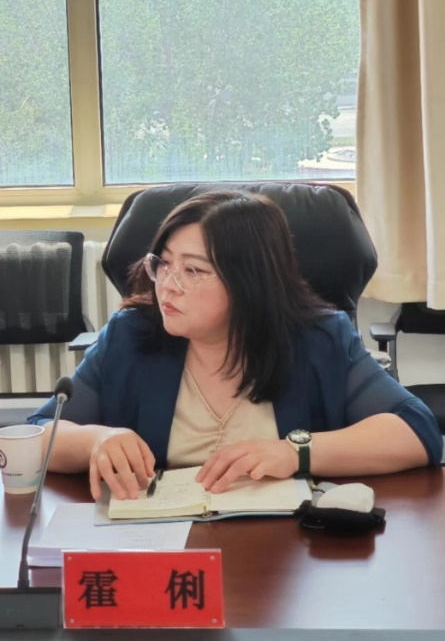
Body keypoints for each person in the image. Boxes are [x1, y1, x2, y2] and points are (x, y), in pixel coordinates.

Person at [29, 190, 443, 501]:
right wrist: (95, 440)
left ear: (250, 281)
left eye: (193, 270)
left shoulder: (319, 339)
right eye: (164, 264)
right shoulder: (131, 335)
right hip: (163, 545)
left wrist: (295, 453)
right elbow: (35, 435)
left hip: (287, 550)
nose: (168, 285)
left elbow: (417, 432)